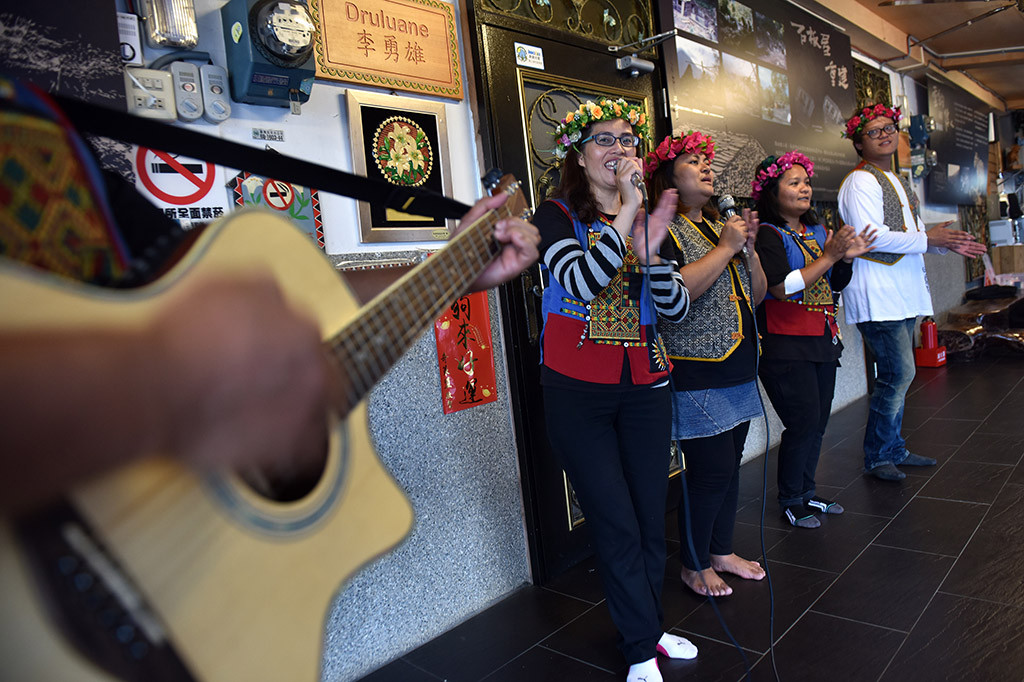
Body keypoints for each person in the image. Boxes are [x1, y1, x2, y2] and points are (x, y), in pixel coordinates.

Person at [0, 76, 541, 513]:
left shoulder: (34, 119)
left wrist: (459, 268)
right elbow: (194, 360)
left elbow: (191, 290)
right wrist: (174, 384)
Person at [536, 98, 696, 682]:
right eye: (602, 140)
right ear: (579, 157)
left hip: (646, 385)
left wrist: (654, 252)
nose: (619, 149)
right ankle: (636, 650)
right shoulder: (552, 217)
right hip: (578, 391)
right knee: (615, 520)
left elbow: (675, 308)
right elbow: (580, 279)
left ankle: (650, 630)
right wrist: (629, 214)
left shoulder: (649, 222)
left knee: (652, 516)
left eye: (627, 139)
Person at [644, 130, 767, 597]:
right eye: (694, 162)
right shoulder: (663, 230)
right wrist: (727, 249)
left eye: (708, 162)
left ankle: (720, 550)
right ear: (667, 180)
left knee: (730, 466)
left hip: (737, 366)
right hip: (695, 369)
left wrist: (747, 249)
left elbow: (756, 295)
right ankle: (693, 564)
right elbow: (676, 296)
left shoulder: (723, 227)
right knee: (711, 470)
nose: (708, 168)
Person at [838, 103, 986, 481]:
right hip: (878, 291)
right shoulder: (860, 182)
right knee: (898, 372)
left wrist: (943, 243)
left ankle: (893, 448)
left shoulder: (896, 180)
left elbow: (913, 236)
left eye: (889, 127)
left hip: (900, 291)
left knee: (899, 374)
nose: (885, 134)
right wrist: (927, 237)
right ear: (858, 143)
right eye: (874, 131)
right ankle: (877, 456)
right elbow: (870, 238)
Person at [752, 150, 876, 528]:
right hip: (785, 344)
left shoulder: (817, 231)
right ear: (772, 192)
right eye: (794, 183)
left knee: (818, 420)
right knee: (803, 420)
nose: (804, 188)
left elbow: (833, 284)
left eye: (806, 182)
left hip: (821, 339)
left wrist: (847, 260)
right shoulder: (767, 235)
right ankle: (791, 498)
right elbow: (779, 288)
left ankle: (806, 491)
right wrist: (830, 256)